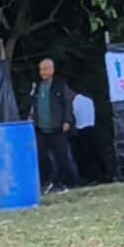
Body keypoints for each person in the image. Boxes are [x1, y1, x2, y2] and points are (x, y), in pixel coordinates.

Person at [29, 58, 81, 193]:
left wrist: (67, 121)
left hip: (57, 128)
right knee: (41, 156)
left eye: (46, 69)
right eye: (41, 69)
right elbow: (32, 105)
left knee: (62, 157)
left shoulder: (60, 85)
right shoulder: (37, 87)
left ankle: (66, 183)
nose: (43, 72)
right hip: (40, 128)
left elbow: (67, 104)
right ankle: (47, 182)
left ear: (52, 70)